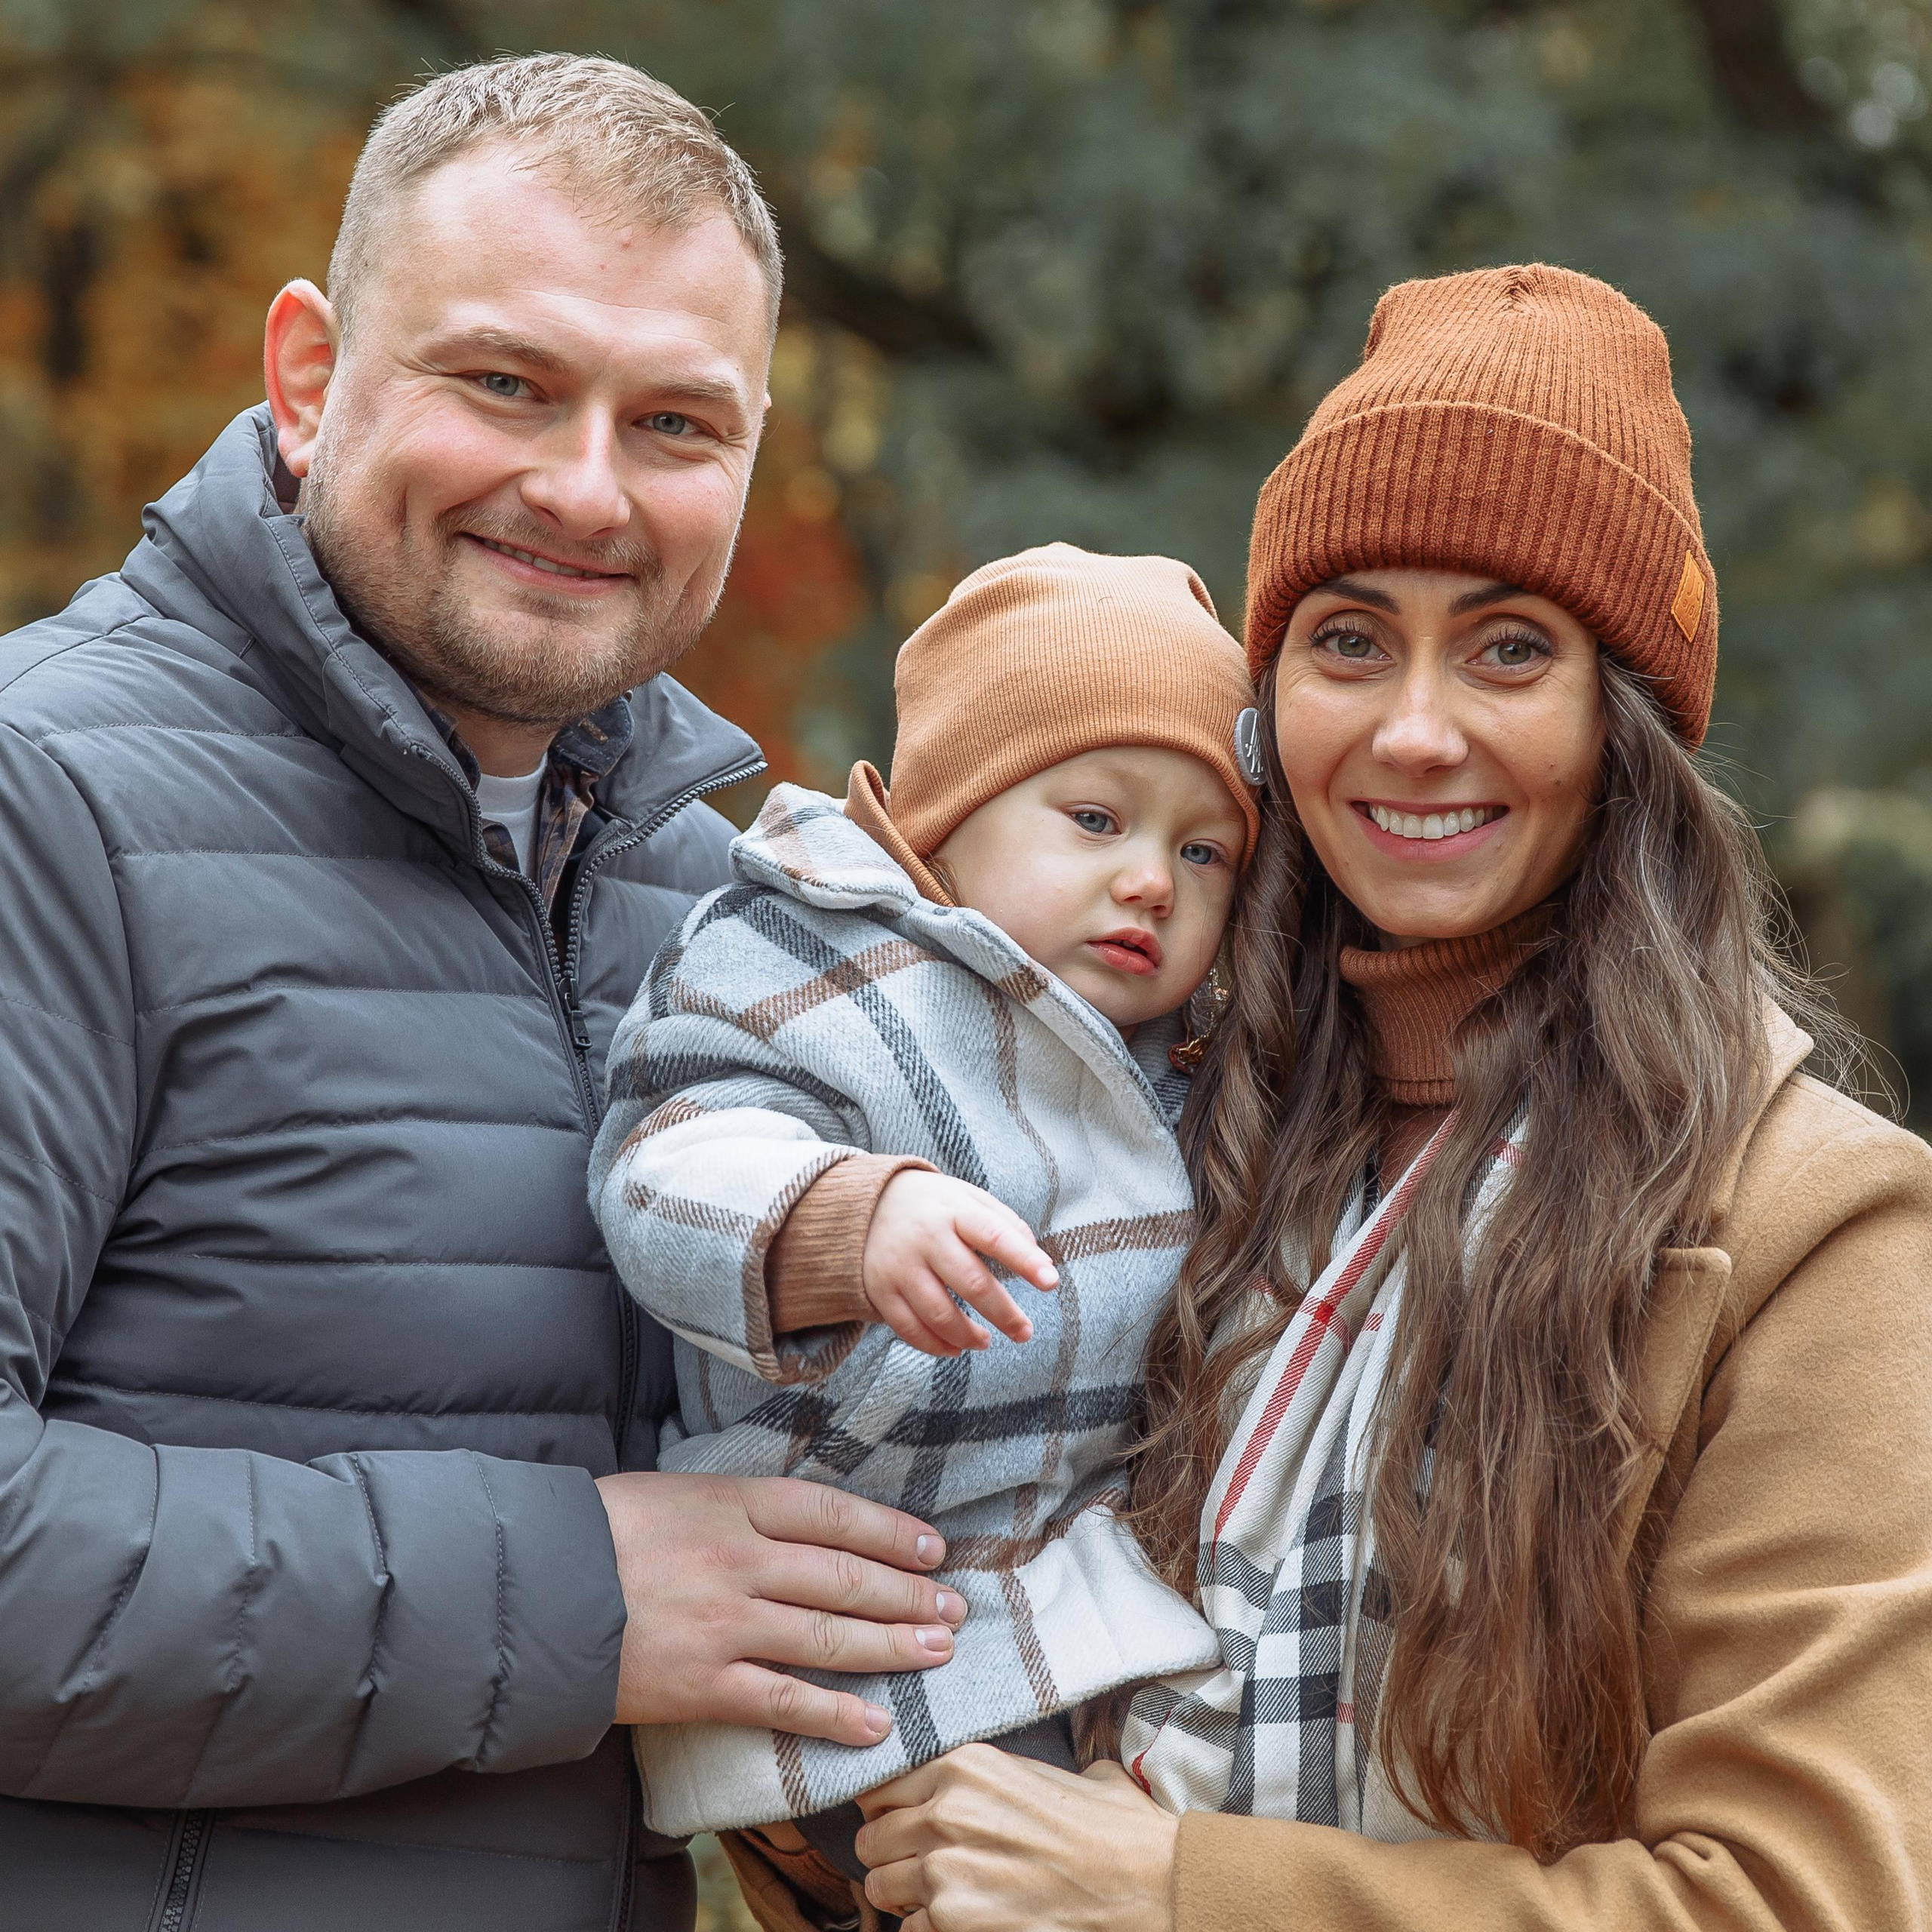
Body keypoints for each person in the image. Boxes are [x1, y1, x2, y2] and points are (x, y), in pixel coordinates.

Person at [0, 54, 965, 1932]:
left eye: (674, 421)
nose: (583, 487)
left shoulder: (720, 899)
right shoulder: (48, 799)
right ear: (307, 377)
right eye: (505, 383)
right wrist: (575, 1597)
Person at [848, 266, 1932, 1932]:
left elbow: (1803, 1898)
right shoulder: (1158, 1132)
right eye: (1348, 641)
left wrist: (1186, 1892)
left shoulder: (1815, 1229)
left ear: (1620, 720)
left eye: (1508, 649)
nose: (1414, 732)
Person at [590, 545, 1254, 1902]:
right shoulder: (811, 948)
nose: (1152, 880)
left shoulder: (1181, 1058)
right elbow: (663, 1166)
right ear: (944, 820)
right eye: (1096, 818)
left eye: (1204, 851)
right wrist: (845, 1220)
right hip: (843, 1606)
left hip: (1069, 1597)